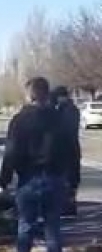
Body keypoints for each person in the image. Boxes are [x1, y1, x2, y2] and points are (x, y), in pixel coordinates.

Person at [0, 77, 70, 252]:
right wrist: (73, 181)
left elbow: (10, 152)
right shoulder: (59, 119)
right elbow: (72, 150)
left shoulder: (19, 120)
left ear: (30, 94)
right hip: (54, 179)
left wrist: (4, 180)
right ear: (47, 93)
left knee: (25, 232)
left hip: (28, 180)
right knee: (53, 232)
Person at [51, 86, 81, 216]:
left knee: (67, 178)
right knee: (71, 179)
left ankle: (68, 205)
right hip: (72, 149)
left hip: (67, 150)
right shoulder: (71, 109)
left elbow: (65, 130)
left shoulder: (66, 111)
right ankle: (69, 204)